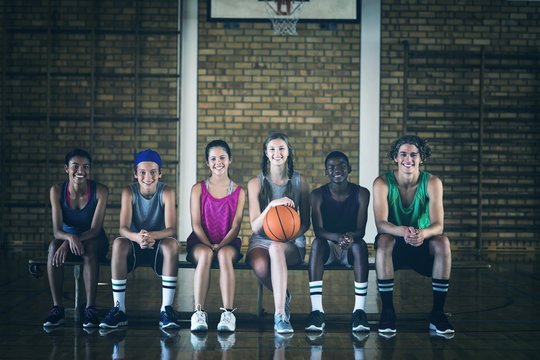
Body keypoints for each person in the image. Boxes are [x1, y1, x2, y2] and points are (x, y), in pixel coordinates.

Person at [372, 135, 454, 336]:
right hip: (395, 244)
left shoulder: (432, 182)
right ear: (395, 157)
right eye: (403, 154)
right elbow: (381, 224)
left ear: (421, 158)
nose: (408, 159)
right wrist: (404, 231)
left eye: (413, 154)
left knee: (443, 242)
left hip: (421, 243)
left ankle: (437, 313)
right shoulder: (382, 183)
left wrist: (422, 233)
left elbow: (439, 225)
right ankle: (388, 312)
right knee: (383, 241)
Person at [99, 149, 180, 330]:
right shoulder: (129, 192)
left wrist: (151, 236)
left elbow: (171, 229)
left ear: (160, 173)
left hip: (157, 243)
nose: (148, 176)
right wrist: (138, 237)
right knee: (119, 243)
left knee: (172, 245)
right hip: (135, 243)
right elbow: (123, 228)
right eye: (142, 172)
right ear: (135, 174)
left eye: (153, 172)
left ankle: (166, 310)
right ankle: (119, 309)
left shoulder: (166, 192)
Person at [245, 132, 311, 334]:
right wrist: (272, 205)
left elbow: (306, 223)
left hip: (291, 242)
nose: (277, 153)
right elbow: (256, 226)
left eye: (281, 148)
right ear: (266, 153)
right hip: (261, 239)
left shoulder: (301, 181)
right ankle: (284, 295)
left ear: (289, 152)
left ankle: (280, 315)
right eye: (272, 149)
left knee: (276, 247)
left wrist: (287, 236)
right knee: (260, 265)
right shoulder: (255, 183)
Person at [305, 151, 370, 333]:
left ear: (349, 168)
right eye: (331, 167)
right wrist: (338, 238)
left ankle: (359, 311)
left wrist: (349, 237)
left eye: (341, 165)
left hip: (350, 247)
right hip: (328, 248)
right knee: (316, 244)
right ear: (326, 172)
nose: (337, 170)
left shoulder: (362, 193)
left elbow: (361, 230)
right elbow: (318, 230)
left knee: (361, 245)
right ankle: (317, 311)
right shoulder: (317, 194)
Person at [43, 149, 109, 328]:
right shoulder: (56, 190)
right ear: (66, 169)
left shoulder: (100, 191)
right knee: (52, 247)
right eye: (76, 166)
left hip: (95, 240)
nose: (81, 171)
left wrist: (69, 241)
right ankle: (57, 308)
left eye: (85, 167)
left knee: (90, 249)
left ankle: (90, 309)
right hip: (67, 239)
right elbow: (57, 231)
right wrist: (68, 239)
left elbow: (95, 230)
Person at [186, 140, 246, 333]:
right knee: (205, 255)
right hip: (200, 241)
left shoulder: (239, 192)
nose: (218, 162)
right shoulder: (198, 189)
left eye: (222, 157)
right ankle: (198, 313)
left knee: (224, 256)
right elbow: (195, 224)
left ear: (230, 160)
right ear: (207, 162)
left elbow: (236, 226)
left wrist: (220, 246)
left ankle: (228, 313)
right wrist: (209, 245)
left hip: (227, 242)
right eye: (213, 158)